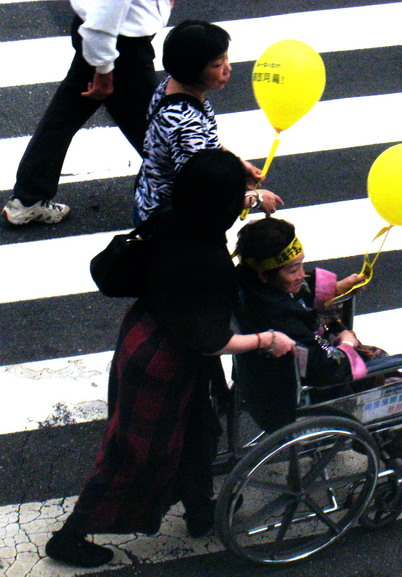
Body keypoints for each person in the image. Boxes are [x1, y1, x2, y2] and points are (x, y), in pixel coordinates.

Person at [44, 149, 296, 569]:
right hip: (164, 364)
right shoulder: (210, 260)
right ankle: (70, 537)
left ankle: (200, 511)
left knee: (196, 432)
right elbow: (213, 342)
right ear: (220, 205)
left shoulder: (171, 215)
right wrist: (266, 339)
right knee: (137, 453)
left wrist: (249, 193)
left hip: (144, 334)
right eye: (236, 195)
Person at [233, 217, 402, 478]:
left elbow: (298, 291)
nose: (301, 274)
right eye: (293, 270)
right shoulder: (282, 318)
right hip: (302, 394)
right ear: (264, 274)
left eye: (301, 265)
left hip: (259, 384)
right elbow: (328, 369)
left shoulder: (247, 287)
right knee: (391, 378)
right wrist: (346, 343)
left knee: (373, 355)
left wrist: (336, 288)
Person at [3, 0, 174, 226]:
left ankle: (28, 198)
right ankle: (183, 191)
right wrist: (103, 71)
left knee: (66, 115)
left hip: (108, 38)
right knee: (154, 126)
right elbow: (105, 14)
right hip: (117, 44)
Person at [133, 19, 283, 224]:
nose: (228, 68)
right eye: (217, 65)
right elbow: (202, 195)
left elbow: (204, 147)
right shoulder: (185, 124)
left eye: (226, 59)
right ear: (192, 70)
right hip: (172, 224)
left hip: (150, 195)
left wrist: (237, 164)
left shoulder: (171, 85)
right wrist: (254, 199)